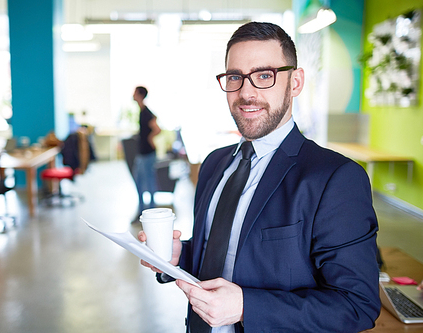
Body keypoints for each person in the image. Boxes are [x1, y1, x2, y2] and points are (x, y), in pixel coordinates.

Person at [139, 22, 381, 332]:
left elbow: (356, 305)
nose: (246, 93)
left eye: (264, 76)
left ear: (294, 83)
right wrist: (178, 257)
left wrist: (245, 307)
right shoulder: (214, 164)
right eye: (235, 77)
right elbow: (224, 256)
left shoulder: (335, 178)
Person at [132, 86, 161, 222]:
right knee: (139, 181)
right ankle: (142, 210)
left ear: (139, 94)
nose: (133, 94)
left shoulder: (146, 113)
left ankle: (151, 211)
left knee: (149, 182)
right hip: (142, 153)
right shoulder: (141, 111)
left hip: (148, 153)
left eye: (135, 92)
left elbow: (157, 129)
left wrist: (150, 138)